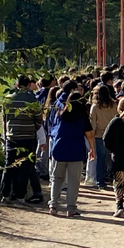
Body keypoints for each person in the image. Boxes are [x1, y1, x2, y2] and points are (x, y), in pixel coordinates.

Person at [49, 89, 95, 218]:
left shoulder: (61, 113)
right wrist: (92, 149)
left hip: (59, 148)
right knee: (74, 180)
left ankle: (53, 204)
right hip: (75, 150)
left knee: (57, 178)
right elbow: (90, 135)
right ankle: (71, 208)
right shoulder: (81, 116)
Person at [2, 75, 44, 204]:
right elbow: (39, 120)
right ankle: (20, 195)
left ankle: (5, 194)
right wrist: (31, 128)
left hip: (11, 136)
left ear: (17, 84)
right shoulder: (32, 100)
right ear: (28, 84)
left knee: (9, 166)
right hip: (27, 137)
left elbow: (5, 119)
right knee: (24, 167)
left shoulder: (8, 99)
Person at [90, 84, 117, 189]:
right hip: (112, 134)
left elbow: (93, 124)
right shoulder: (113, 105)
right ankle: (114, 179)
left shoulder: (95, 107)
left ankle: (100, 181)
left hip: (99, 135)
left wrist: (91, 136)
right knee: (112, 159)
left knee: (100, 160)